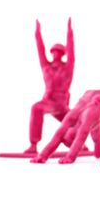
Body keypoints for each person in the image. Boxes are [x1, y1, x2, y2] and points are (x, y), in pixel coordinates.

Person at [37, 89, 100, 162]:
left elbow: (80, 137)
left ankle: (99, 152)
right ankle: (99, 152)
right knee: (96, 130)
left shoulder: (78, 119)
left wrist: (70, 157)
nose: (81, 145)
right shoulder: (70, 118)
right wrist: (42, 156)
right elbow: (57, 137)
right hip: (92, 97)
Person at [28, 19, 75, 155]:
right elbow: (40, 50)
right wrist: (38, 33)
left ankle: (80, 143)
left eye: (59, 52)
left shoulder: (67, 68)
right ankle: (33, 145)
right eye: (54, 51)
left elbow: (72, 52)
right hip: (49, 102)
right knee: (36, 108)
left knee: (77, 120)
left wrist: (69, 32)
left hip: (62, 104)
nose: (56, 54)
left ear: (63, 54)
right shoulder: (46, 67)